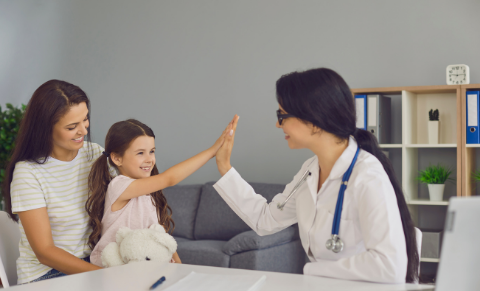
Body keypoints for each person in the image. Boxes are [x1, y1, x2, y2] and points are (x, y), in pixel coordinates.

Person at [213, 68, 419, 283]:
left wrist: (313, 271)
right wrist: (224, 166)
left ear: (313, 120)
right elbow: (266, 220)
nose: (277, 124)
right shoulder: (310, 170)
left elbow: (389, 266)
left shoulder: (367, 175)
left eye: (282, 115)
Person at [86, 118, 234, 267]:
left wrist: (176, 261)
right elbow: (169, 179)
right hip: (116, 271)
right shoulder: (118, 186)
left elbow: (158, 230)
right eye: (140, 153)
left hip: (144, 268)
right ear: (117, 158)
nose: (149, 159)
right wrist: (212, 151)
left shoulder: (148, 193)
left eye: (151, 151)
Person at [2, 80, 104, 283]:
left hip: (92, 262)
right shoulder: (28, 173)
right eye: (72, 126)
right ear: (45, 128)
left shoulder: (94, 154)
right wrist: (102, 275)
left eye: (85, 119)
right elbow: (45, 252)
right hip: (47, 274)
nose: (83, 130)